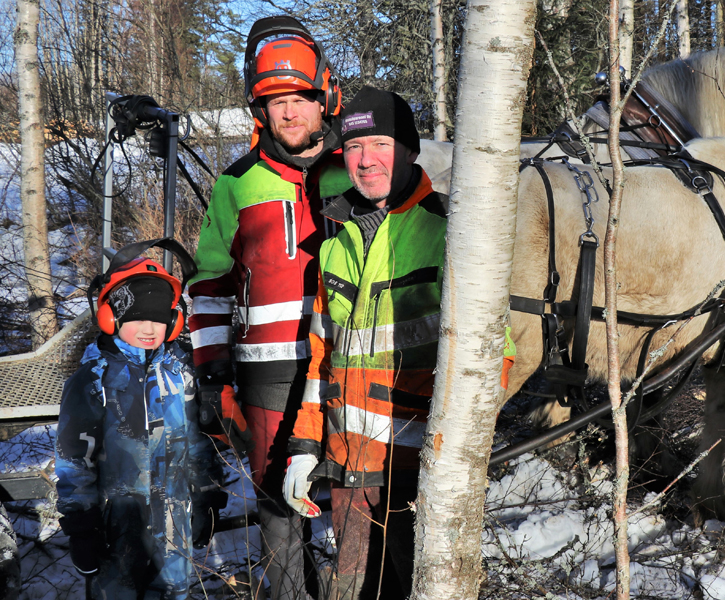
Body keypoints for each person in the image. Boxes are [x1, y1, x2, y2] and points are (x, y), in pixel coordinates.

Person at [187, 16, 352, 599]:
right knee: (280, 515)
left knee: (360, 503)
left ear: (324, 95)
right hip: (270, 373)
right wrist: (211, 372)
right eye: (274, 102)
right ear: (259, 110)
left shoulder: (359, 171)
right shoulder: (237, 183)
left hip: (354, 365)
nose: (289, 114)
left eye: (300, 99)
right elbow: (208, 283)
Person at [280, 86, 445, 599]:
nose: (365, 159)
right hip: (349, 470)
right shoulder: (335, 247)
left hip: (417, 475)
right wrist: (304, 449)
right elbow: (321, 361)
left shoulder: (449, 236)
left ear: (410, 150)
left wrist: (449, 459)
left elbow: (493, 360)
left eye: (380, 143)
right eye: (354, 147)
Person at [55, 245, 224, 600]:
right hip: (115, 529)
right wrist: (81, 526)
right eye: (137, 318)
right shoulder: (93, 381)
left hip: (174, 525)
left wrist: (207, 493)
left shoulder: (182, 375)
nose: (149, 328)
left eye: (159, 319)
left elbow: (197, 442)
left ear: (174, 321)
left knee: (172, 593)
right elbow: (74, 461)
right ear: (110, 318)